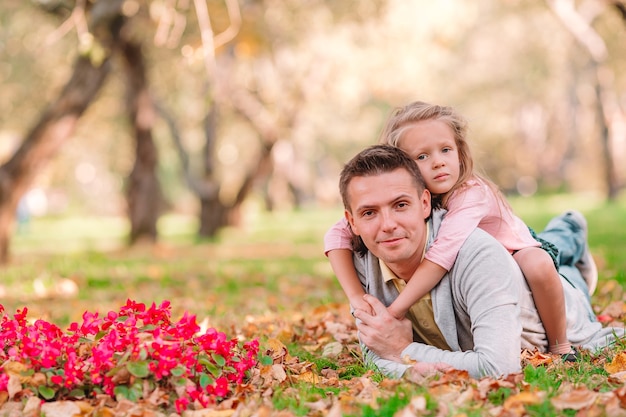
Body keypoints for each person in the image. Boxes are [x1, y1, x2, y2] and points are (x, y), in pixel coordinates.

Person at [325, 101, 596, 359]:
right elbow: (337, 234)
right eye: (422, 156)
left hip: (512, 246)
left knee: (541, 263)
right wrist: (356, 298)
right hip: (486, 260)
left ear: (460, 151)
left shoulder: (470, 194)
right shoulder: (403, 196)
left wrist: (394, 311)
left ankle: (560, 341)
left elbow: (441, 257)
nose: (438, 162)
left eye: (445, 150)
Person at [339, 144, 622, 378]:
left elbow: (497, 368)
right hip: (511, 277)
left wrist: (405, 351)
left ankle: (570, 226)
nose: (387, 225)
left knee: (556, 257)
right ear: (351, 221)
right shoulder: (362, 262)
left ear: (425, 203)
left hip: (561, 299)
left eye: (400, 205)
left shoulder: (478, 253)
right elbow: (375, 355)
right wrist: (402, 361)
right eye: (369, 213)